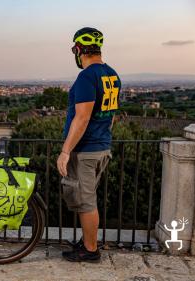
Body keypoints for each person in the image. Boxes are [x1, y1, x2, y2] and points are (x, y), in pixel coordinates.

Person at [57, 27, 121, 262]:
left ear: (78, 50)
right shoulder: (112, 75)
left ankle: (90, 250)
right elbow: (111, 115)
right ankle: (87, 241)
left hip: (86, 151)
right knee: (87, 198)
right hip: (102, 146)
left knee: (85, 202)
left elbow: (82, 117)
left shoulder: (87, 77)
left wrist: (65, 151)